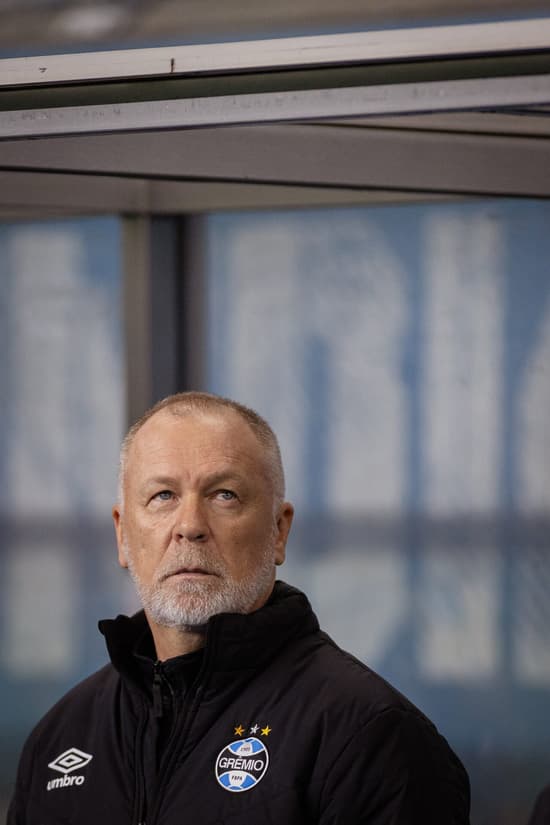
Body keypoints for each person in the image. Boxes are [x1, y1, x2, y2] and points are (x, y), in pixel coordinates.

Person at [8, 391, 470, 824]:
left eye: (224, 495)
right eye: (163, 496)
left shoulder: (371, 738)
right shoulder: (60, 738)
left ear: (279, 530)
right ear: (122, 534)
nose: (189, 526)